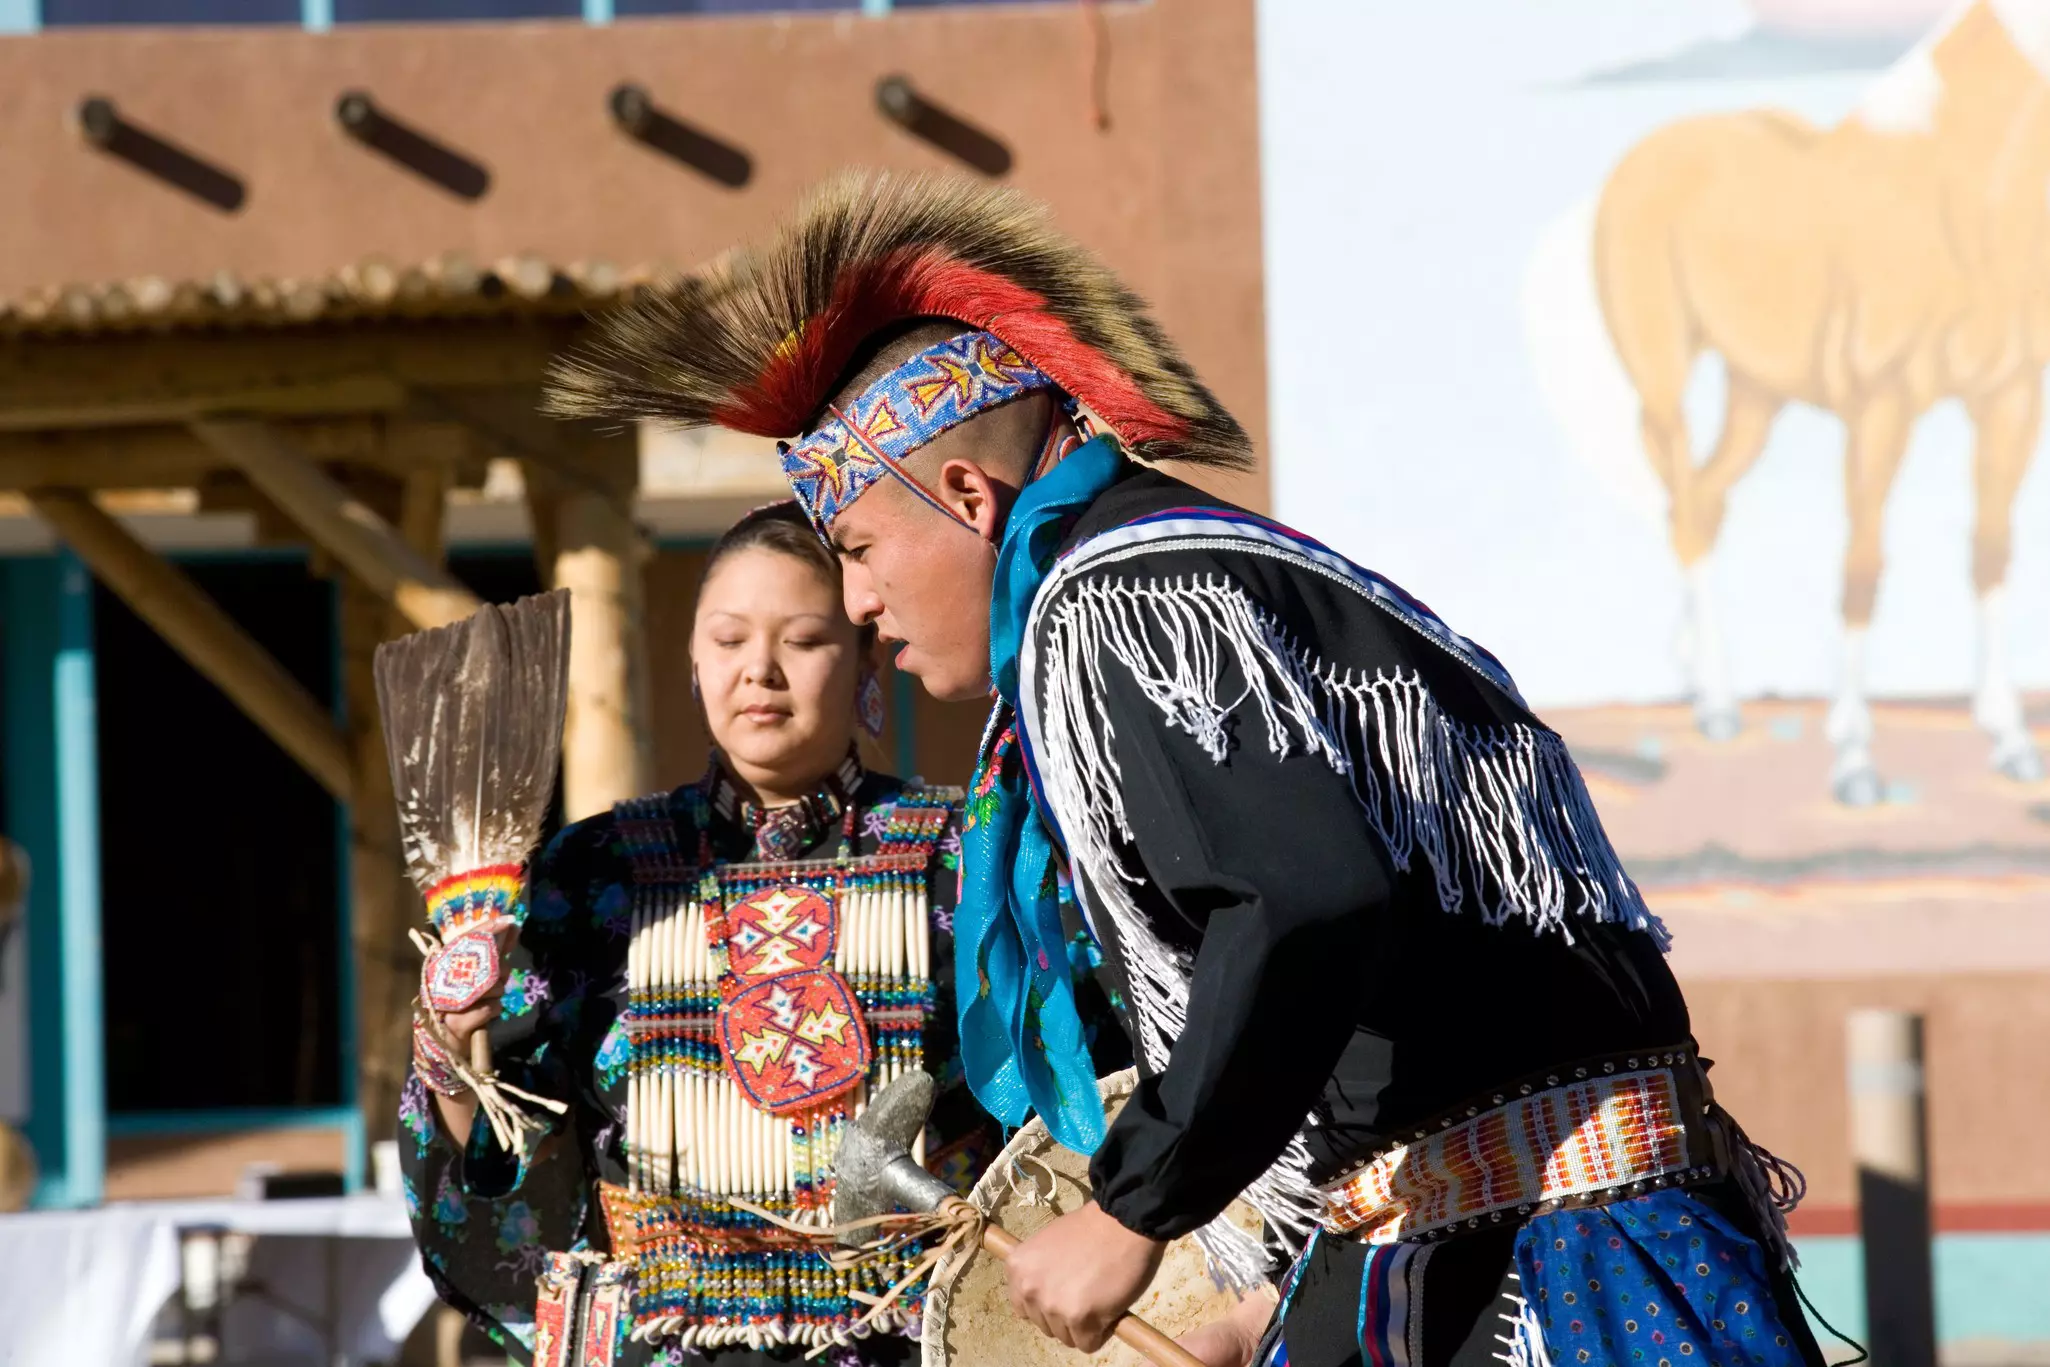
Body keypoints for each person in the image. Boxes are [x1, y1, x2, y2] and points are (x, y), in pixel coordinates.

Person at [547, 171, 1826, 1367]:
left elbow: (1303, 904)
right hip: (1497, 1236)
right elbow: (1409, 990)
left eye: (864, 549)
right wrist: (1275, 1295)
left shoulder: (1123, 605)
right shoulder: (1204, 569)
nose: (864, 602)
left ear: (967, 495)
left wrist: (1131, 1208)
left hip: (1558, 1261)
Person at [399, 502, 988, 1366]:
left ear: (867, 652)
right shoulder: (590, 872)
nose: (761, 670)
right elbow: (516, 1157)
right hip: (662, 1339)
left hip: (912, 1335)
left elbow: (1066, 1107)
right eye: (729, 638)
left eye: (804, 640)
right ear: (694, 660)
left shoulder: (963, 855)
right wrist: (450, 1053)